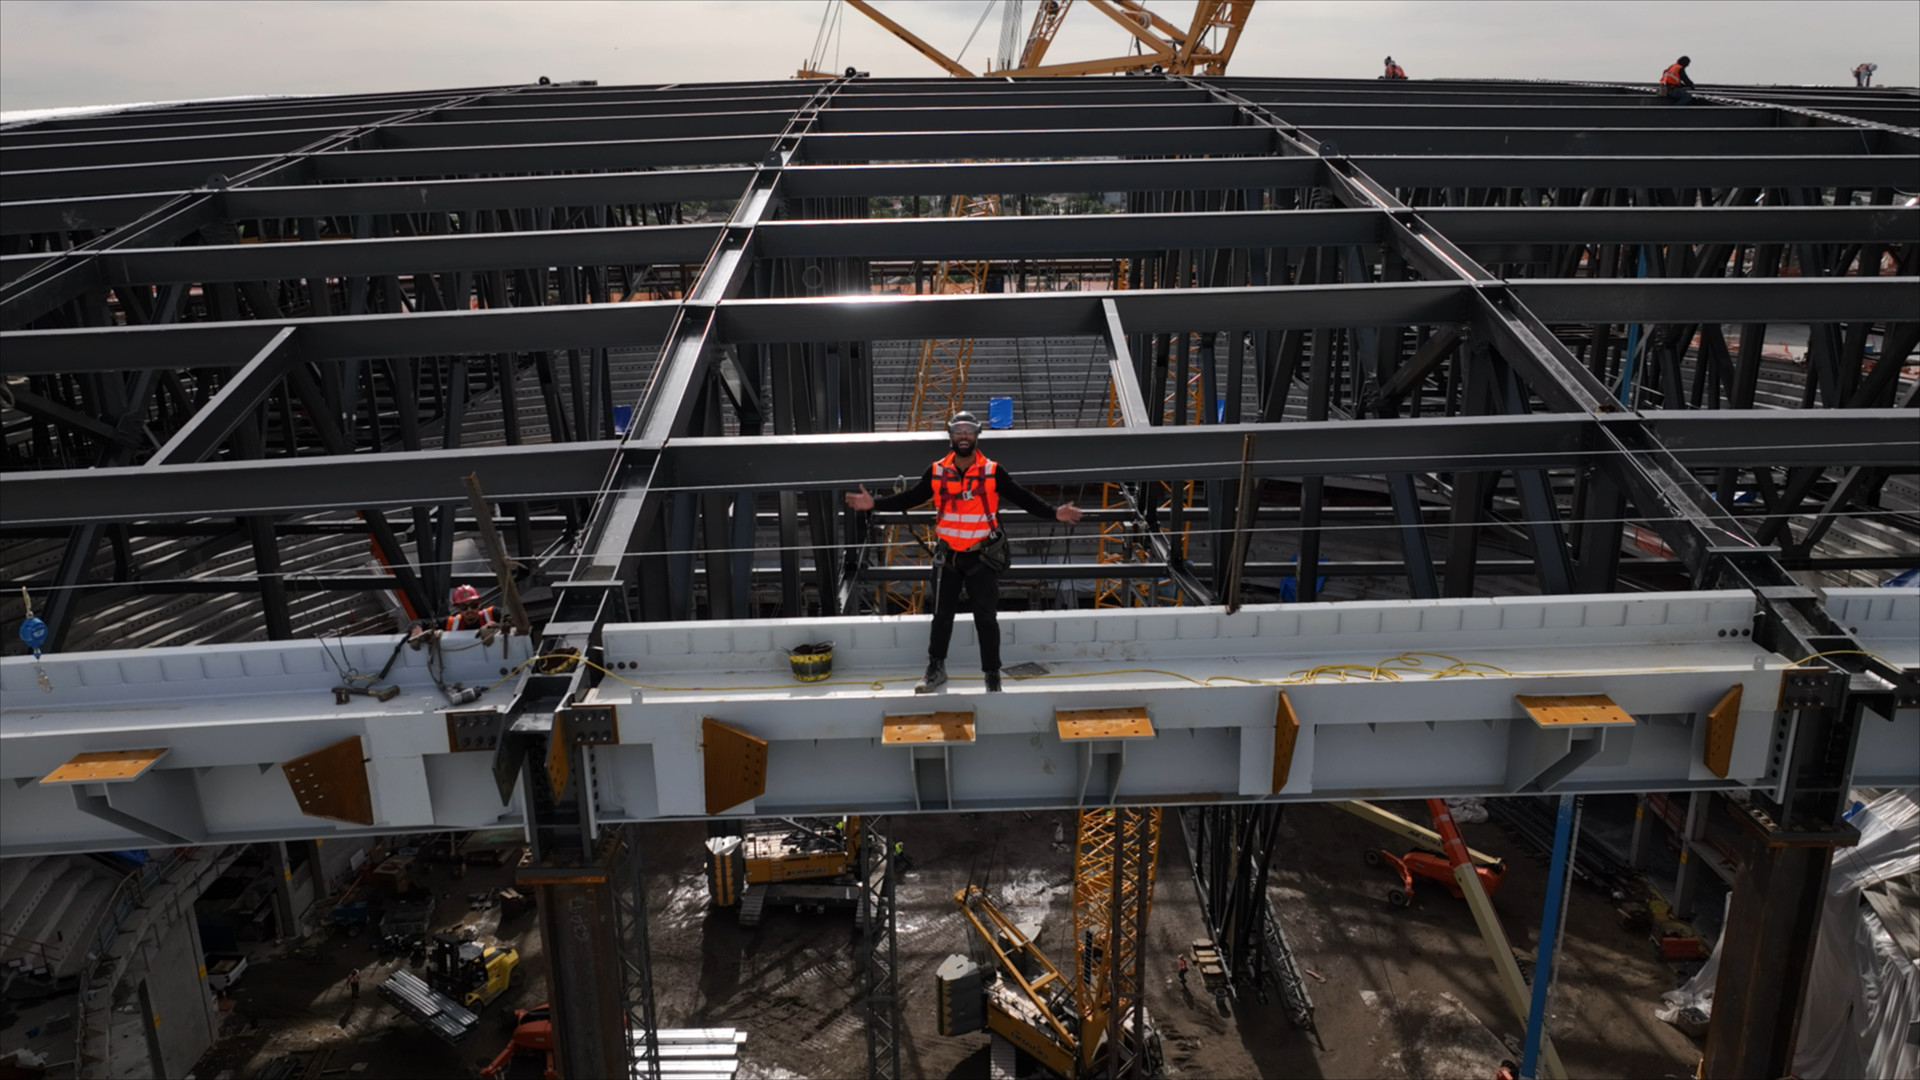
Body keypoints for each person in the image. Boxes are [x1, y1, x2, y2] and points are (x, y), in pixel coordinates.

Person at [845, 411, 1083, 693]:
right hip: (948, 557)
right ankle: (936, 669)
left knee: (985, 617)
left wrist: (1055, 513)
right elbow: (911, 498)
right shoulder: (936, 471)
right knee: (942, 615)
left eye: (969, 431)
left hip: (980, 557)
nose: (964, 436)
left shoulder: (992, 471)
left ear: (977, 435)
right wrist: (876, 504)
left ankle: (992, 675)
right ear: (950, 436)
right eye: (958, 431)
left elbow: (1023, 498)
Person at [409, 584, 502, 646]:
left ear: (480, 604)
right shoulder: (451, 623)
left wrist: (494, 625)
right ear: (457, 608)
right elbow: (420, 622)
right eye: (463, 607)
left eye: (473, 605)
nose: (469, 610)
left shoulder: (492, 614)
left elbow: (513, 618)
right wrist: (416, 631)